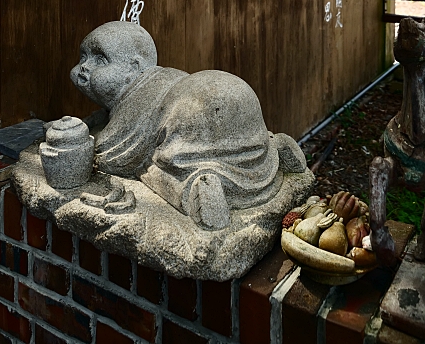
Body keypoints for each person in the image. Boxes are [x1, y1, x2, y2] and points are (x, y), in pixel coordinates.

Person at [70, 21, 305, 229]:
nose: (84, 67)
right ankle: (272, 148)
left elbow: (110, 156)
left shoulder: (138, 98)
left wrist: (73, 136)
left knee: (153, 164)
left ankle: (196, 187)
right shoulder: (170, 75)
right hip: (233, 93)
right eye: (83, 57)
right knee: (234, 142)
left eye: (100, 60)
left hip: (194, 110)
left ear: (134, 68)